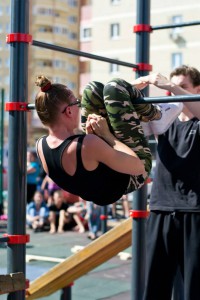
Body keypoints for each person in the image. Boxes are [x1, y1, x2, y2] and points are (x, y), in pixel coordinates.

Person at [34, 74, 182, 206]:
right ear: (69, 111)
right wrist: (106, 135)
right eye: (77, 103)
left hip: (99, 185)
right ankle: (157, 116)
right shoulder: (88, 144)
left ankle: (125, 100)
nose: (80, 107)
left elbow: (85, 170)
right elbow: (139, 167)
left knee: (91, 90)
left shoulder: (40, 145)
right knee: (115, 85)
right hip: (132, 176)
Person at [143, 65, 200, 300]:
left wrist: (170, 86)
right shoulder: (164, 120)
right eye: (175, 88)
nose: (176, 94)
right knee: (155, 286)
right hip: (161, 209)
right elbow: (130, 128)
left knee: (194, 288)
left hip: (194, 211)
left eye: (184, 88)